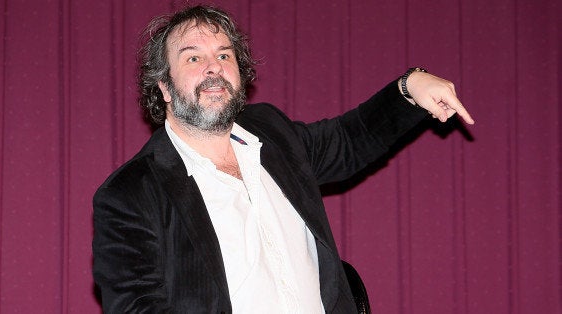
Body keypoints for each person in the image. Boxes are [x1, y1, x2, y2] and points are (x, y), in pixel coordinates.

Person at [92, 5, 475, 314]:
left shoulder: (273, 134)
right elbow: (136, 306)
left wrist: (408, 88)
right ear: (164, 87)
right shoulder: (130, 194)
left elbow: (349, 140)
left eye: (224, 55)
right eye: (193, 58)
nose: (213, 67)